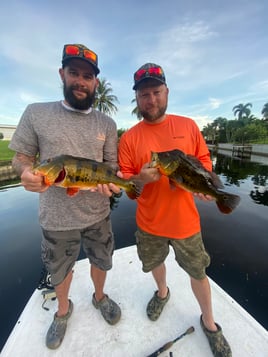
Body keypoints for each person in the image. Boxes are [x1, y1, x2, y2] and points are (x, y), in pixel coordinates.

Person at [9, 43, 122, 350]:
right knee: (59, 269)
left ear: (96, 82)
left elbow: (111, 166)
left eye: (88, 76)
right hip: (56, 218)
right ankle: (62, 310)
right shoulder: (36, 113)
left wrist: (111, 182)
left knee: (102, 259)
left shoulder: (107, 124)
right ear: (62, 74)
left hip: (98, 213)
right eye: (74, 73)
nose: (80, 81)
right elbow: (21, 159)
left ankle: (100, 297)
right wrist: (25, 173)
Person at [118, 63, 232, 357]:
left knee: (198, 271)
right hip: (149, 223)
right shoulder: (129, 138)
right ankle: (163, 292)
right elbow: (127, 183)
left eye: (156, 92)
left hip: (186, 224)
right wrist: (140, 178)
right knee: (154, 263)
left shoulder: (188, 126)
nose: (151, 99)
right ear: (137, 98)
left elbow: (203, 162)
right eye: (144, 94)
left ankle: (209, 322)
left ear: (166, 92)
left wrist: (210, 184)